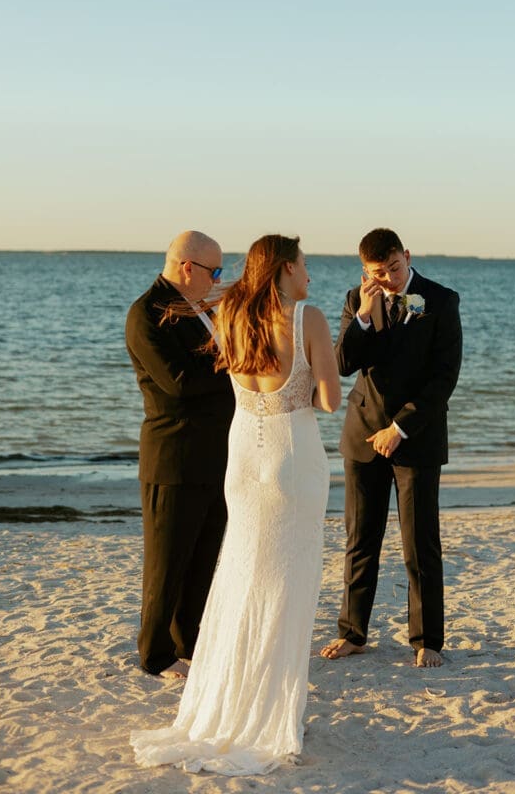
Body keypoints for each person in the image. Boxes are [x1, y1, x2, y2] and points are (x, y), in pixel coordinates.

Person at [131, 235, 341, 775]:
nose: (310, 275)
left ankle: (225, 704)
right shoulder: (309, 318)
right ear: (285, 268)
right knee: (287, 586)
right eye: (304, 265)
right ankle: (269, 714)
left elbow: (226, 351)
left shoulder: (230, 316)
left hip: (243, 457)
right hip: (291, 457)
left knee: (240, 577)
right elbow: (328, 400)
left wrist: (234, 290)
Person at [320, 228, 462, 668]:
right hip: (363, 434)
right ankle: (353, 633)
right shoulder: (355, 300)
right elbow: (343, 364)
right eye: (378, 273)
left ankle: (427, 640)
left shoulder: (441, 300)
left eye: (395, 268)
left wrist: (400, 428)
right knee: (360, 540)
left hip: (416, 437)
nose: (389, 279)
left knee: (420, 543)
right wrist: (363, 316)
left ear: (407, 256)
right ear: (365, 271)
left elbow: (444, 377)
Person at [125, 230, 234, 679]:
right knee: (166, 564)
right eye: (215, 271)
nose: (218, 280)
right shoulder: (146, 313)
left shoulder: (202, 308)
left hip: (216, 455)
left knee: (202, 559)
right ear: (188, 267)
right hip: (173, 458)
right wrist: (238, 368)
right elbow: (178, 383)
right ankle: (155, 654)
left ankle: (187, 643)